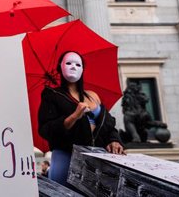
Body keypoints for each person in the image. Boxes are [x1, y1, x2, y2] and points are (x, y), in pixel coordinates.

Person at [38, 51, 124, 185]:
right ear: (60, 67)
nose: (73, 67)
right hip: (66, 157)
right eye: (68, 63)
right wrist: (74, 116)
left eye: (78, 64)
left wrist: (114, 140)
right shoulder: (52, 95)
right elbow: (46, 129)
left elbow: (108, 125)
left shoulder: (92, 96)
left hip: (97, 157)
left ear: (83, 69)